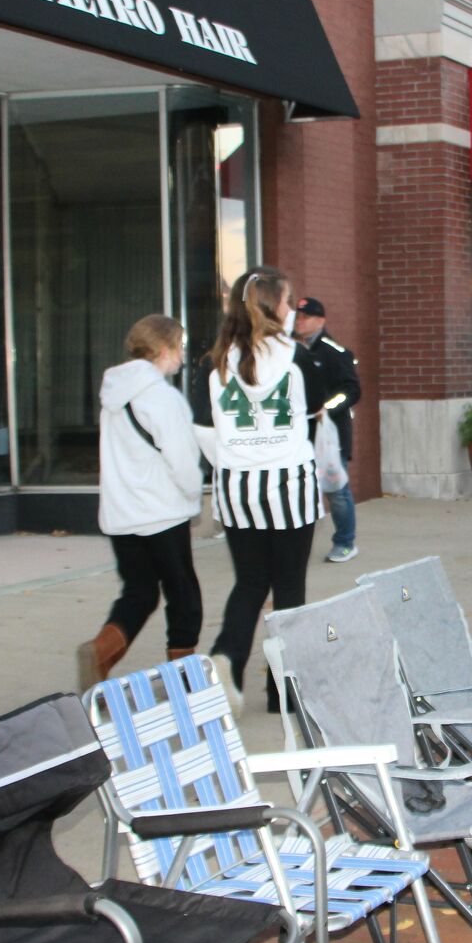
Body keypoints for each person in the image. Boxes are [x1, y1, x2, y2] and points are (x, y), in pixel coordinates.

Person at [195, 265, 320, 715]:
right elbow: (316, 410)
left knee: (249, 582)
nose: (292, 309)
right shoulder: (297, 356)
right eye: (288, 301)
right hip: (289, 485)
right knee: (289, 588)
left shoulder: (215, 360)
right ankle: (283, 693)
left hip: (237, 487)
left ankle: (226, 658)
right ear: (272, 307)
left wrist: (236, 457)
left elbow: (202, 428)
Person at [77, 314, 204, 690]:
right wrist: (193, 494)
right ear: (163, 349)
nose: (182, 355)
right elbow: (181, 459)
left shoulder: (113, 394)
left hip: (122, 514)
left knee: (140, 592)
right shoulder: (161, 397)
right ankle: (184, 679)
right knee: (183, 594)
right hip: (162, 513)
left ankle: (100, 653)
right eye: (179, 347)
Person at [291, 296, 362, 563]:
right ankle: (299, 545)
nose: (299, 322)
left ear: (320, 320)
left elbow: (352, 391)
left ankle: (345, 542)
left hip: (330, 436)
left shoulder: (335, 352)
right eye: (297, 317)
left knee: (336, 491)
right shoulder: (289, 350)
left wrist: (327, 409)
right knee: (300, 491)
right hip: (299, 435)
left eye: (305, 317)